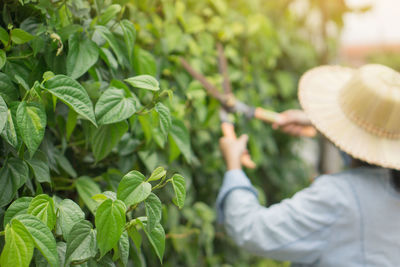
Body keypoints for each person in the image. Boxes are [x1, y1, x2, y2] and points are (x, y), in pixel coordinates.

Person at [216, 64, 400, 267]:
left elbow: (252, 231)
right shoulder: (391, 185)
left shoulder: (338, 197)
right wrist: (315, 123)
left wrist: (234, 167)